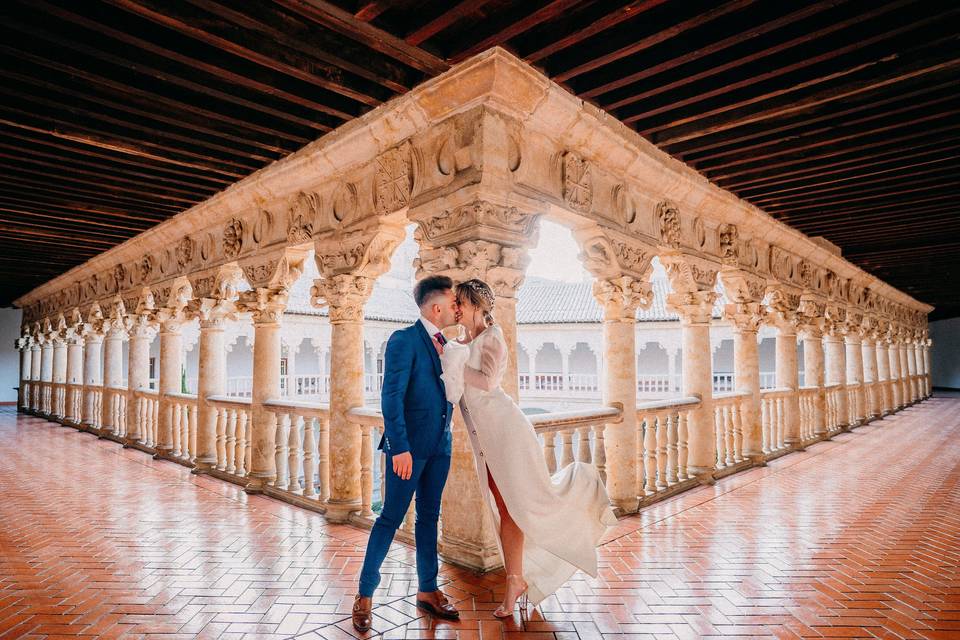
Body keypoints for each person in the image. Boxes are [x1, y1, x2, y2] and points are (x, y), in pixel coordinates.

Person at [440, 278, 616, 618]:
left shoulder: (492, 337)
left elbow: (489, 382)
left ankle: (516, 581)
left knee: (520, 507)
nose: (456, 309)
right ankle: (516, 581)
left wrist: (456, 363)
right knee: (505, 510)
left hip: (507, 432)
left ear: (476, 304)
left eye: (460, 302)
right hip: (484, 439)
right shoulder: (459, 342)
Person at [352, 275, 462, 632]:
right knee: (389, 519)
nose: (457, 308)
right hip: (407, 452)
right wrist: (399, 448)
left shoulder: (447, 342)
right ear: (436, 307)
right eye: (453, 302)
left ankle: (428, 590)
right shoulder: (403, 340)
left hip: (440, 448)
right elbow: (391, 398)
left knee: (429, 518)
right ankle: (365, 594)